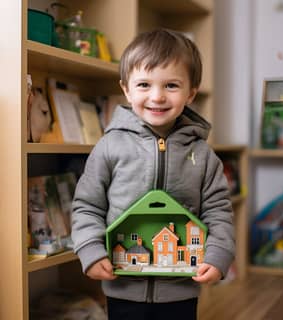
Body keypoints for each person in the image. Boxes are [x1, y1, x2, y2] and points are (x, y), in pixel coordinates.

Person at [72, 28, 235, 320]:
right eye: (144, 84)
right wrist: (91, 250)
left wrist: (219, 255)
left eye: (171, 85)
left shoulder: (204, 155)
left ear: (191, 93)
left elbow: (218, 211)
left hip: (181, 287)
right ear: (126, 89)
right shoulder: (109, 146)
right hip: (122, 285)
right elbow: (87, 205)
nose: (157, 96)